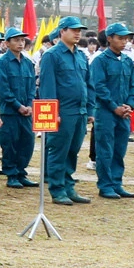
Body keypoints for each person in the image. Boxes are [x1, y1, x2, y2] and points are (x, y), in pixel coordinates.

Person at [38, 16, 92, 205]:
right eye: (73, 30)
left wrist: (89, 110)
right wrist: (53, 113)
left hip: (80, 111)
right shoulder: (52, 55)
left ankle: (69, 186)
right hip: (63, 111)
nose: (78, 33)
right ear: (62, 31)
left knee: (73, 151)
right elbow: (47, 87)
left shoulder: (81, 55)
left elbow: (87, 84)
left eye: (80, 30)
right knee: (58, 150)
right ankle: (57, 189)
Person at [87, 21, 134, 200]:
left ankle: (117, 183)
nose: (124, 41)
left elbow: (133, 85)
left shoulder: (127, 60)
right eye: (120, 38)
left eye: (126, 38)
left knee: (119, 149)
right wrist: (114, 106)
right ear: (109, 39)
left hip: (124, 113)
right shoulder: (100, 61)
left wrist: (130, 105)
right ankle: (105, 185)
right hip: (106, 112)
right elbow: (99, 87)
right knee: (105, 150)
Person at [0, 27, 38, 188]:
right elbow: (3, 88)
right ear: (7, 43)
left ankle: (21, 171)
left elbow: (32, 86)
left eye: (22, 40)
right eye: (16, 40)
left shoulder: (28, 62)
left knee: (27, 142)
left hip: (26, 111)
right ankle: (11, 174)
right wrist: (18, 106)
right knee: (10, 143)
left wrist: (28, 104)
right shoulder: (2, 63)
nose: (20, 43)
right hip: (9, 111)